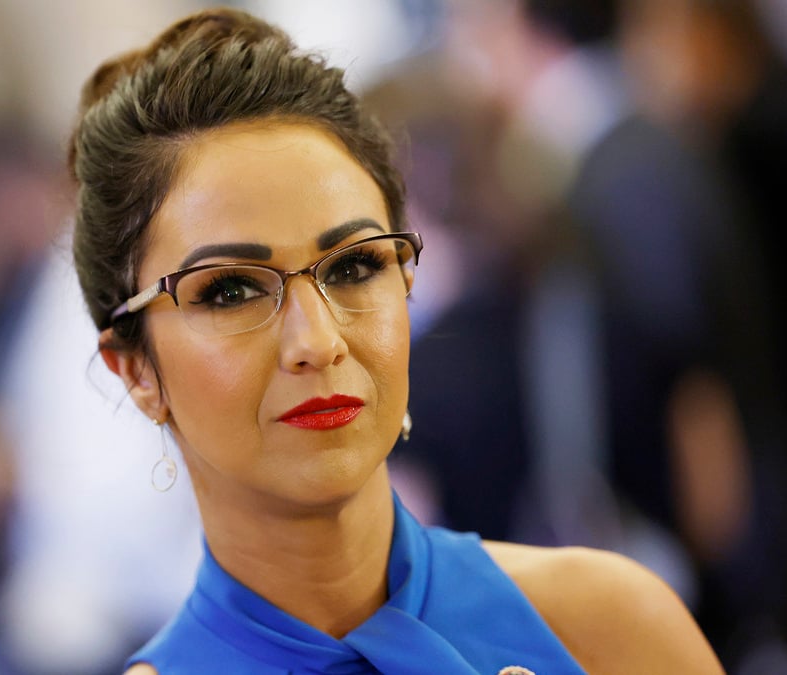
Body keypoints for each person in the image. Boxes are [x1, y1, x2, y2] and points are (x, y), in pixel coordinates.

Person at [66, 8, 723, 673]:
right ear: (136, 370)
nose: (317, 341)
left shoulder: (605, 622)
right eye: (232, 289)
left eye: (355, 266)